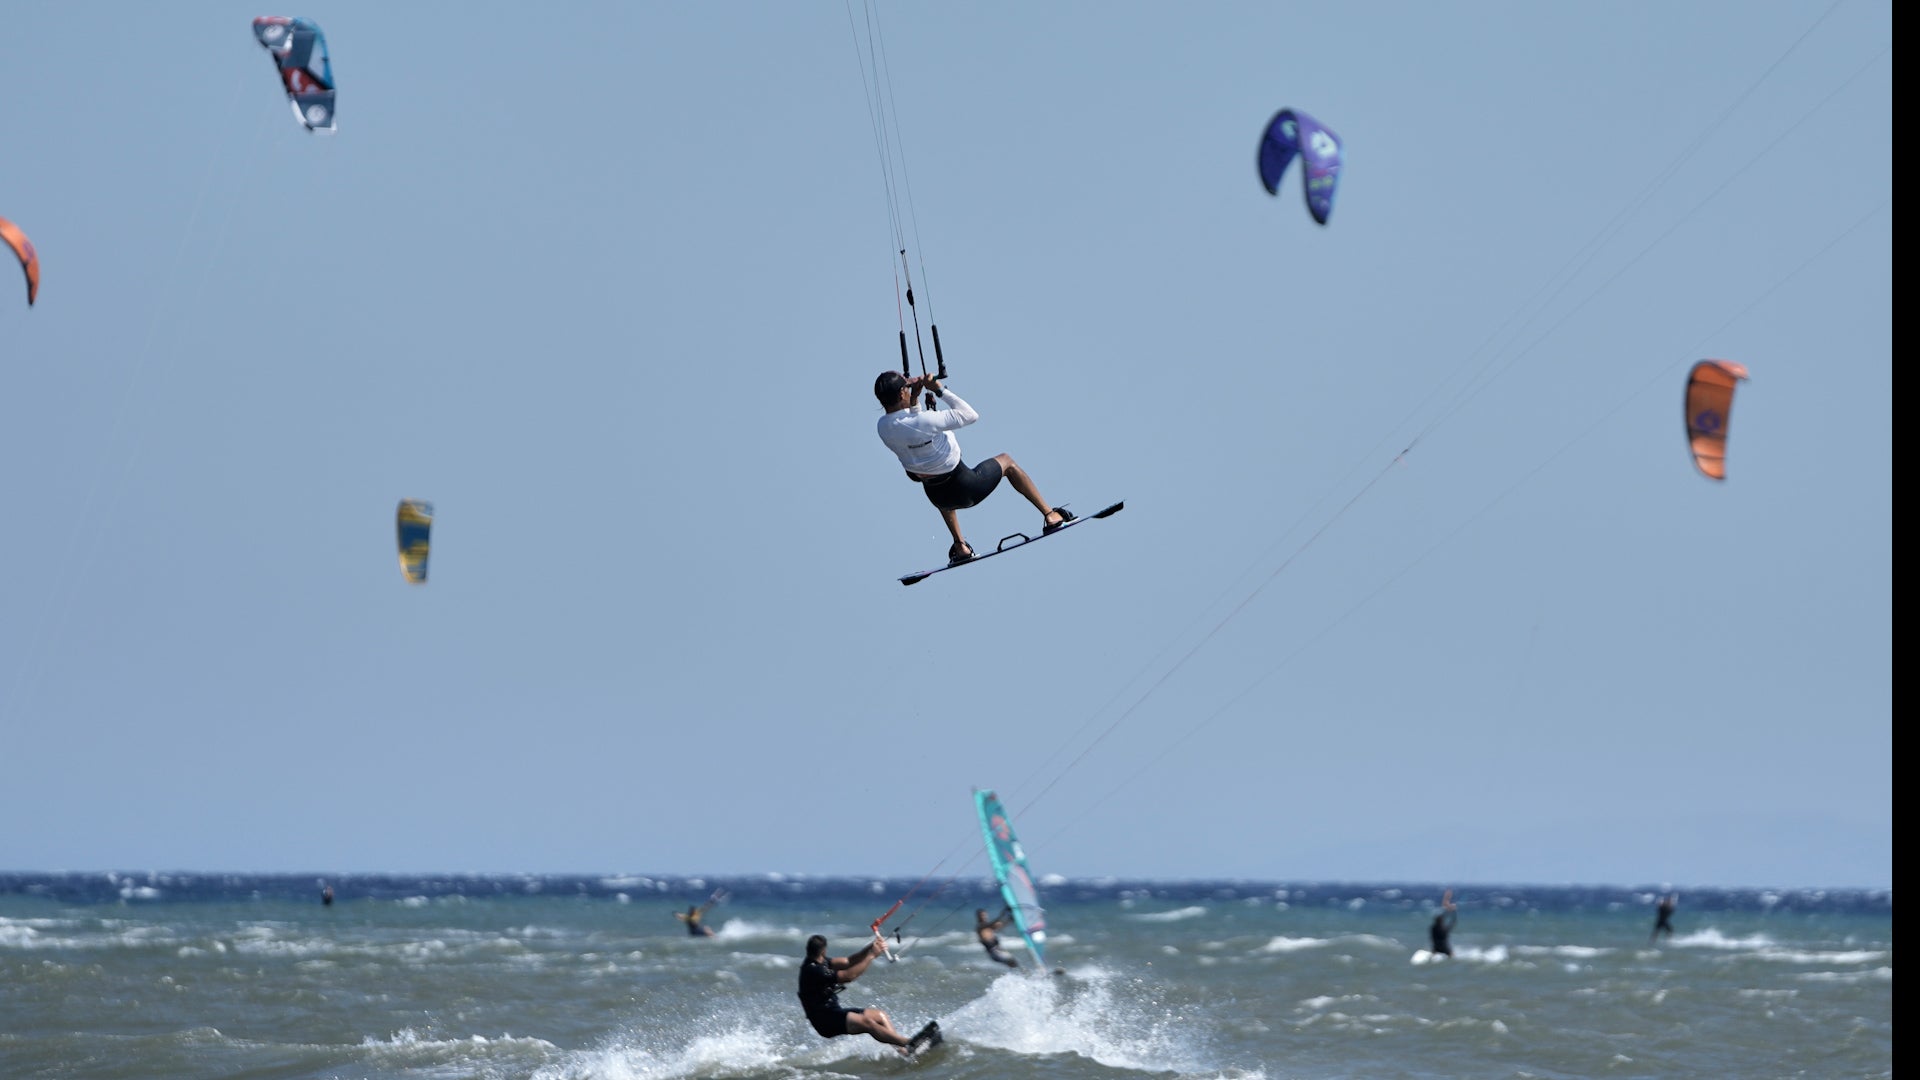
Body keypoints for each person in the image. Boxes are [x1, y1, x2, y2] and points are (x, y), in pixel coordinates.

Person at [874, 371, 1070, 565]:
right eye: (907, 387)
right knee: (1007, 461)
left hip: (938, 498)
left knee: (933, 476)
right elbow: (970, 415)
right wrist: (939, 390)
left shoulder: (883, 427)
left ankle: (960, 546)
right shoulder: (925, 421)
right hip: (967, 487)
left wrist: (915, 399)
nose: (910, 388)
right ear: (901, 394)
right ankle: (1050, 515)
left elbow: (911, 426)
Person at [797, 933, 916, 1052]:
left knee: (880, 1016)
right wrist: (871, 956)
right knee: (868, 1023)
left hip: (834, 1012)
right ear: (824, 950)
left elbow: (849, 961)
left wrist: (871, 947)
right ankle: (908, 1043)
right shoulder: (813, 970)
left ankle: (903, 1052)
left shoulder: (821, 962)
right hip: (825, 1021)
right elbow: (848, 976)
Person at [1429, 890, 1457, 958]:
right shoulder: (1445, 929)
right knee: (1451, 954)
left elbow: (1441, 917)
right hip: (1445, 949)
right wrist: (1453, 911)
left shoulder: (1433, 928)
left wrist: (1446, 901)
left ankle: (1433, 954)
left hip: (1436, 948)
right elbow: (1453, 921)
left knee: (1435, 950)